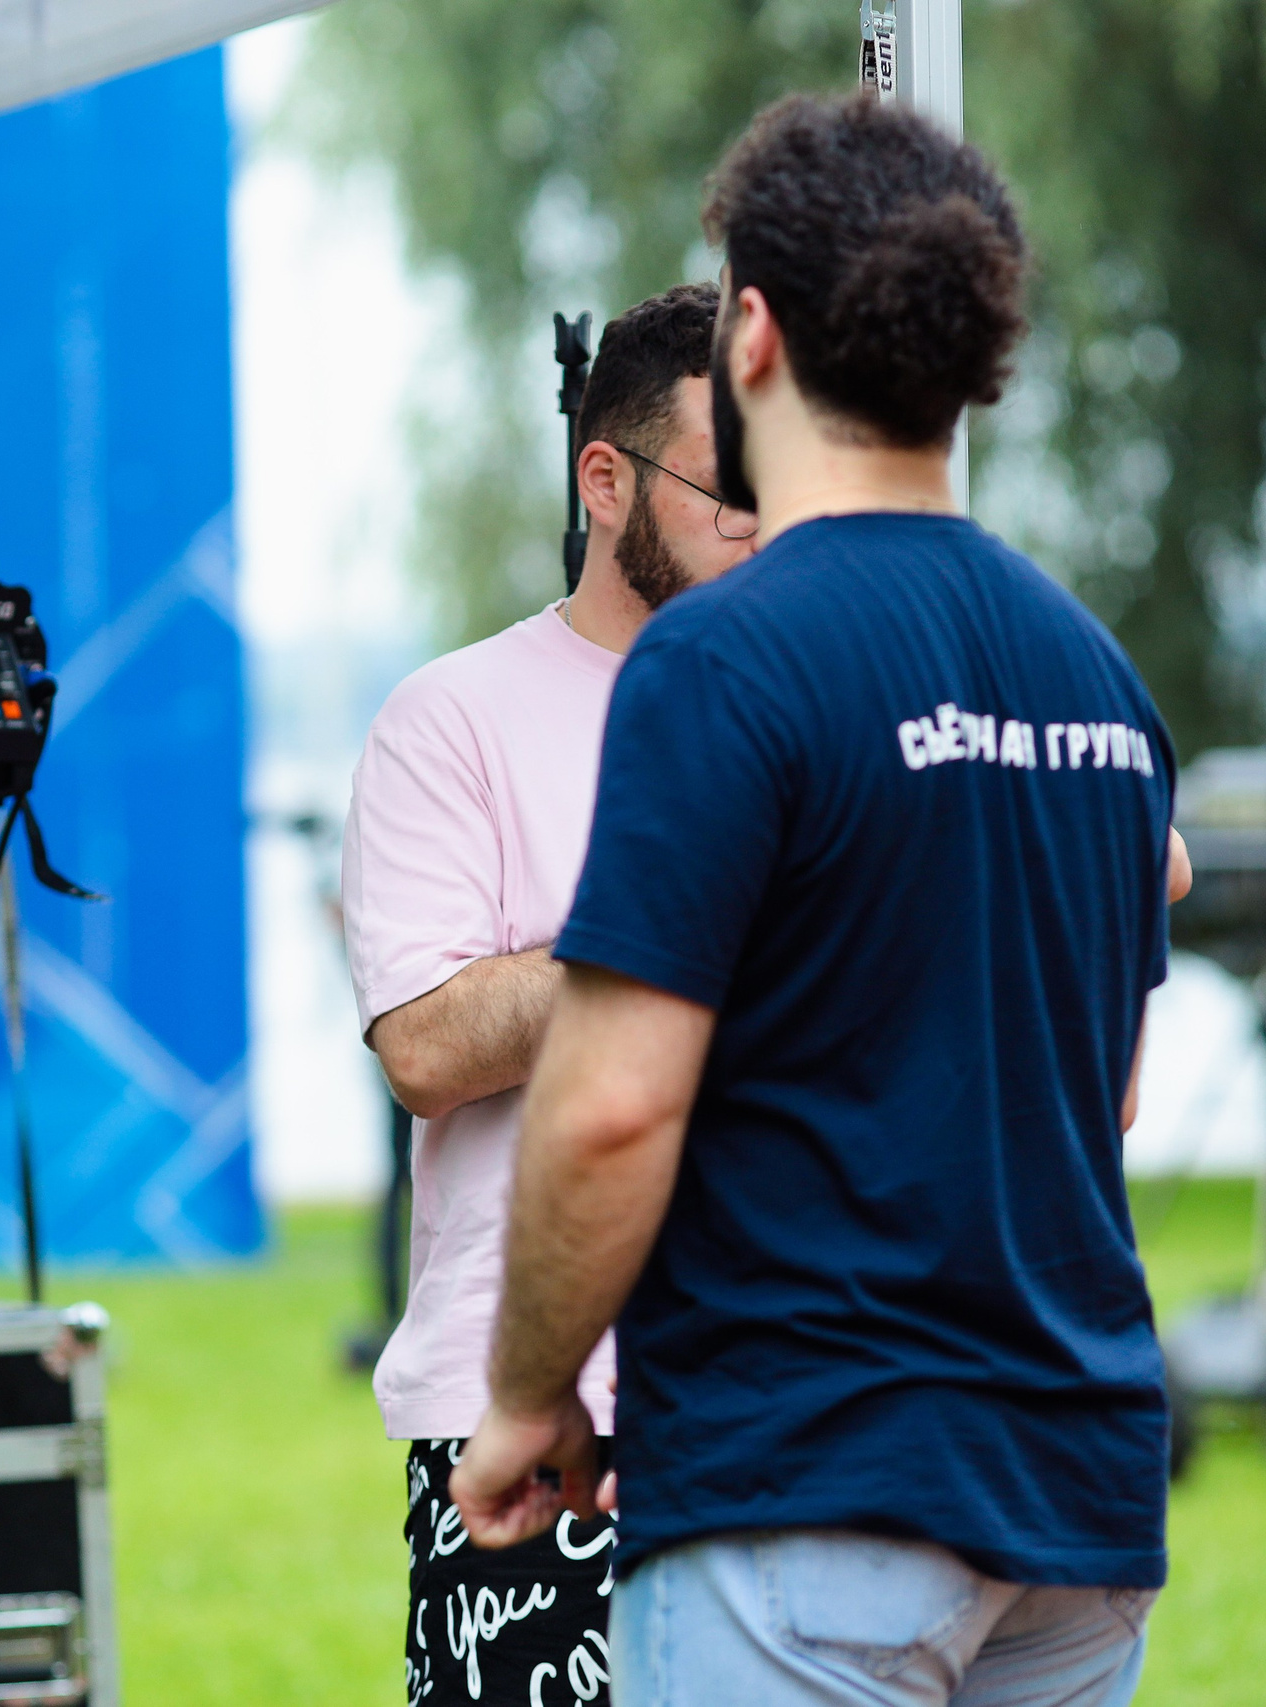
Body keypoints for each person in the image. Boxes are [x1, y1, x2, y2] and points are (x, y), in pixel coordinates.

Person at [451, 94, 1192, 1707]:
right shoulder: (1097, 675)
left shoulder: (727, 657)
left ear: (758, 336)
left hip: (815, 1487)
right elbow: (1104, 1087)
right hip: (1074, 1500)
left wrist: (523, 1395)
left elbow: (606, 1109)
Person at [341, 282, 756, 1706]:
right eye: (726, 485)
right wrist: (665, 928)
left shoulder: (825, 703)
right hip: (538, 1418)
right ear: (604, 476)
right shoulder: (448, 717)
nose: (761, 520)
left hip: (801, 1400)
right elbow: (427, 1042)